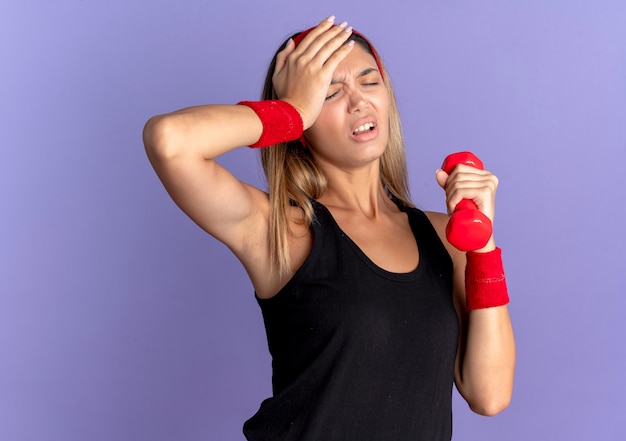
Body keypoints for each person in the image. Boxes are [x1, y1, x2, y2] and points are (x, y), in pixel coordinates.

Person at [143, 15, 515, 441]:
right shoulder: (280, 230)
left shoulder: (444, 237)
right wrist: (291, 110)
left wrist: (483, 247)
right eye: (331, 92)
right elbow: (170, 141)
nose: (358, 102)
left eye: (369, 81)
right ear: (301, 128)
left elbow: (489, 395)